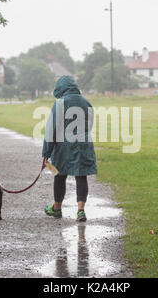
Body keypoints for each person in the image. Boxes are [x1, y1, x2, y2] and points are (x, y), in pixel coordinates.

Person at [42, 75, 97, 222]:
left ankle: (57, 208)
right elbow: (89, 124)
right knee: (81, 175)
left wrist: (46, 152)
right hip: (84, 144)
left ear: (60, 88)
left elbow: (51, 130)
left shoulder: (60, 103)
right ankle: (80, 211)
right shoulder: (86, 102)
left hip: (63, 145)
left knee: (60, 175)